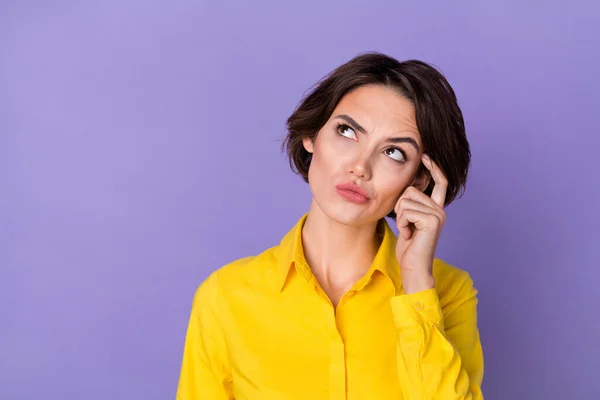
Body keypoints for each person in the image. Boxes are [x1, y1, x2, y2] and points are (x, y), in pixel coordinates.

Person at [176, 52, 484, 399]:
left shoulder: (446, 293)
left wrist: (416, 283)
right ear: (312, 135)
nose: (360, 167)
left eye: (394, 152)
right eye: (347, 131)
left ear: (417, 180)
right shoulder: (225, 297)